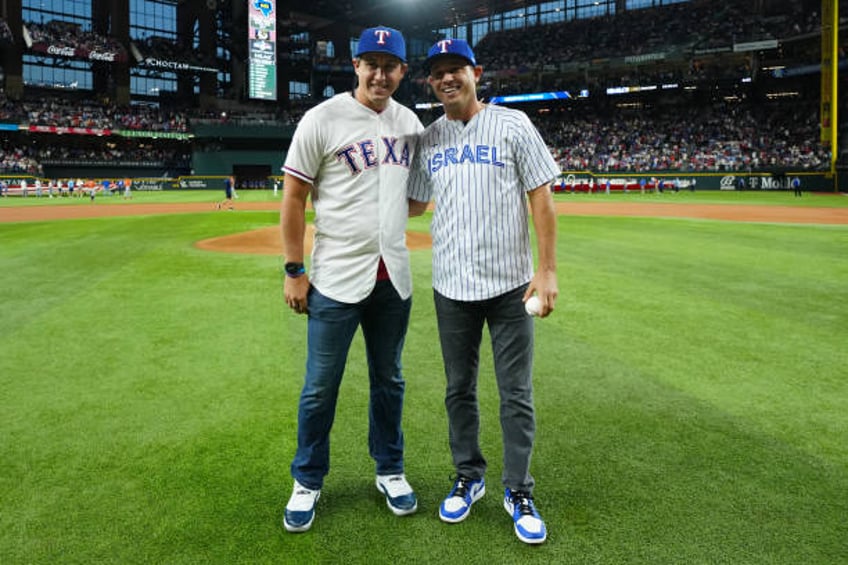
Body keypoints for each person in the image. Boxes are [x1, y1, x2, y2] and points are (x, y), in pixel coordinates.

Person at [408, 38, 559, 545]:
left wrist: (548, 270)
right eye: (438, 73)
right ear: (430, 83)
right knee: (458, 390)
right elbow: (410, 205)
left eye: (456, 70)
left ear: (476, 72)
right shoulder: (429, 139)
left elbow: (541, 195)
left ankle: (518, 489)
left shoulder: (514, 125)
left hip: (512, 285)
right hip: (451, 287)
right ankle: (468, 477)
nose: (447, 79)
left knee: (516, 394)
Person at [280, 25, 424, 533]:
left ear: (403, 72)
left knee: (391, 382)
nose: (380, 73)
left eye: (391, 65)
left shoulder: (411, 124)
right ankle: (307, 479)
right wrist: (294, 269)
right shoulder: (322, 118)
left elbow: (420, 197)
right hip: (335, 279)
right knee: (320, 387)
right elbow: (293, 198)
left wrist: (385, 219)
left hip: (393, 280)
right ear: (356, 66)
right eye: (371, 63)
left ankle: (390, 469)